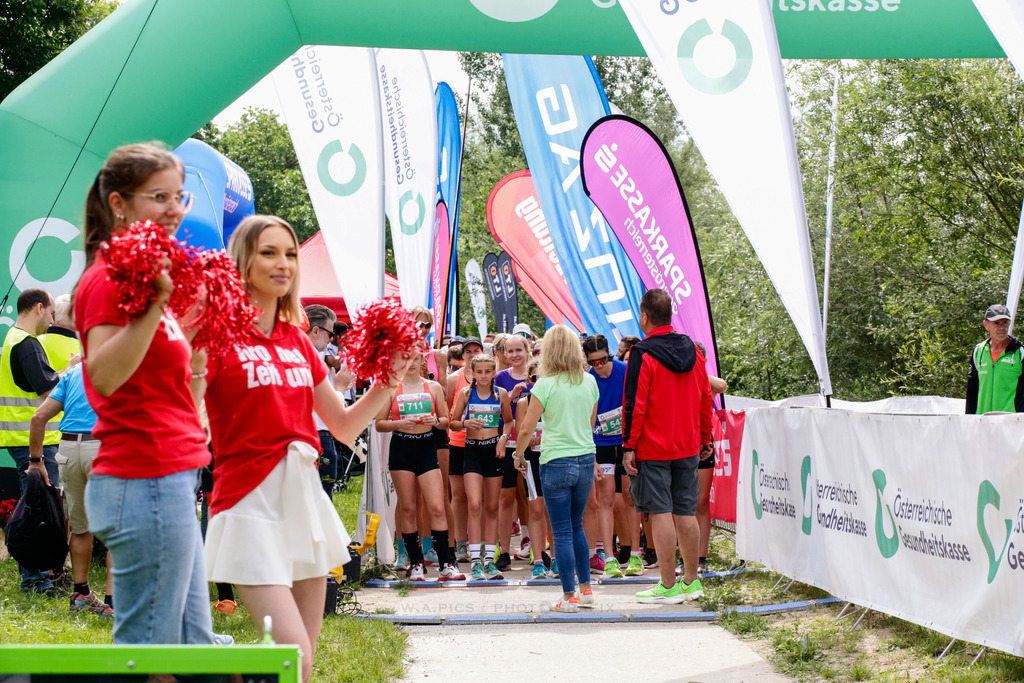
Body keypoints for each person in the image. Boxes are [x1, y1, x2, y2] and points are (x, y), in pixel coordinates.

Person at [203, 215, 410, 683]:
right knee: (290, 656)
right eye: (269, 252)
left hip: (305, 499)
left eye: (291, 254)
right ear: (243, 262)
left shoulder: (297, 338)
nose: (284, 264)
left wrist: (387, 380)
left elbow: (342, 424)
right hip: (246, 499)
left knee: (301, 666)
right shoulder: (216, 334)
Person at [74, 142, 220, 644]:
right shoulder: (108, 279)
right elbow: (105, 378)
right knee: (151, 652)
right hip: (143, 478)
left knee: (194, 649)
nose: (175, 209)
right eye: (160, 196)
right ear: (119, 203)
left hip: (172, 474)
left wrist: (196, 342)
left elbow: (171, 388)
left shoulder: (146, 282)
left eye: (181, 197)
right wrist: (155, 307)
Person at [622, 289, 713, 604]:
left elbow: (636, 403)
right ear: (670, 315)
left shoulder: (642, 353)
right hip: (688, 445)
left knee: (660, 512)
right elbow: (705, 397)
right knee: (685, 511)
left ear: (645, 317)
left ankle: (667, 583)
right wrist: (706, 437)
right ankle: (691, 581)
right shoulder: (693, 348)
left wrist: (628, 446)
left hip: (653, 448)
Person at [514, 325, 600, 612]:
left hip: (556, 461)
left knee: (561, 532)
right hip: (585, 457)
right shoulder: (589, 382)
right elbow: (590, 424)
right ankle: (586, 590)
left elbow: (527, 427)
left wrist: (518, 453)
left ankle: (569, 596)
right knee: (576, 527)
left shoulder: (545, 384)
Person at [28, 361, 113, 617]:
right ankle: (114, 603)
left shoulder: (76, 371)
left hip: (68, 451)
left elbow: (38, 417)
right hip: (103, 447)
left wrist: (35, 461)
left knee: (79, 526)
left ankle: (80, 593)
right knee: (116, 529)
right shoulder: (122, 363)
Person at [374, 353, 464, 581]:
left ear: (422, 361)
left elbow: (446, 421)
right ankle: (415, 564)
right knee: (409, 508)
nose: (410, 363)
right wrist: (399, 423)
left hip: (426, 447)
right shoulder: (391, 388)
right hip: (401, 448)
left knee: (437, 506)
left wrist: (434, 421)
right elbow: (380, 424)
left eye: (414, 358)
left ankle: (445, 564)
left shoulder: (432, 387)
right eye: (404, 358)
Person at [449, 353, 513, 580]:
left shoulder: (501, 394)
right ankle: (476, 562)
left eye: (488, 371)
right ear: (472, 373)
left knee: (492, 507)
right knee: (474, 504)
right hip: (472, 451)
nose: (484, 376)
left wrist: (503, 439)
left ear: (493, 372)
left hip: (493, 451)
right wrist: (465, 422)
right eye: (480, 372)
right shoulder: (466, 394)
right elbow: (453, 423)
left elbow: (508, 421)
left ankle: (489, 561)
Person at [582, 333, 633, 579]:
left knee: (631, 498)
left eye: (603, 360)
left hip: (627, 442)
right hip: (600, 442)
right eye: (593, 363)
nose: (599, 367)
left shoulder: (626, 370)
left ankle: (634, 555)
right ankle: (609, 558)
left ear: (610, 353)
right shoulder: (587, 380)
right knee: (606, 499)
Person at [493, 333, 532, 570]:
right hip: (506, 444)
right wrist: (512, 398)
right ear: (504, 354)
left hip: (532, 445)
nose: (515, 355)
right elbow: (494, 411)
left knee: (530, 497)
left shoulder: (537, 376)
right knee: (505, 498)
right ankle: (504, 549)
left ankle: (532, 543)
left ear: (527, 351)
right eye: (510, 351)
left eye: (519, 350)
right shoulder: (499, 378)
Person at [445, 336, 483, 563]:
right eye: (468, 352)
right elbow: (449, 413)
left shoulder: (491, 376)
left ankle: (485, 545)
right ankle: (460, 543)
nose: (472, 355)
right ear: (462, 355)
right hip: (458, 442)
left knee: (481, 497)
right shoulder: (453, 379)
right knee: (458, 496)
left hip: (483, 442)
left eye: (476, 350)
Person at [515, 357, 552, 579]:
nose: (539, 382)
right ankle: (538, 559)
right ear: (529, 380)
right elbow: (521, 432)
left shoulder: (556, 398)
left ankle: (556, 560)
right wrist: (525, 446)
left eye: (544, 377)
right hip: (532, 460)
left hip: (553, 458)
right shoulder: (524, 403)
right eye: (535, 378)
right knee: (536, 510)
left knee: (554, 512)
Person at [693, 340, 728, 575]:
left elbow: (722, 385)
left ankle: (701, 557)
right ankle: (687, 555)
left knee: (701, 501)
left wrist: (699, 372)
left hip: (704, 445)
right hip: (681, 445)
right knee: (682, 503)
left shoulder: (705, 380)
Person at [305, 304, 344, 498]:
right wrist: (341, 389)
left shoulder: (313, 355)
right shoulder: (309, 357)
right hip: (316, 435)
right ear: (315, 330)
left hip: (314, 435)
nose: (332, 338)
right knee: (321, 502)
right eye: (331, 333)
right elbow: (328, 407)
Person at [966, 304, 1024, 414]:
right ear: (986, 325)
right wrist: (969, 420)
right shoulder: (978, 351)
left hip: (1012, 422)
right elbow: (972, 391)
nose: (1001, 327)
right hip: (983, 422)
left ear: (1010, 323)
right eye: (996, 323)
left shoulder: (1020, 352)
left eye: (1005, 323)